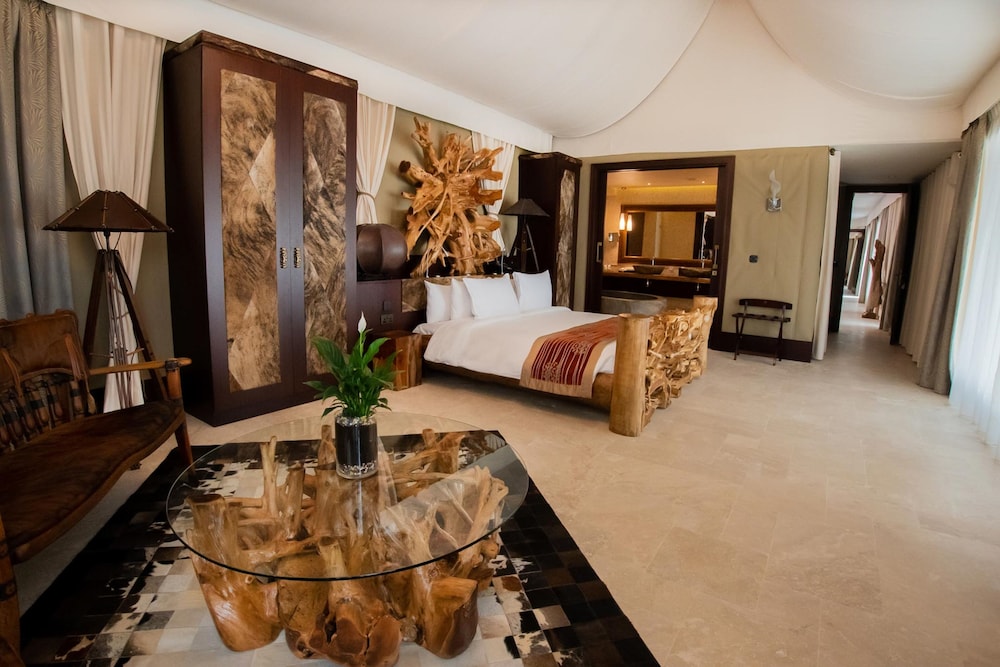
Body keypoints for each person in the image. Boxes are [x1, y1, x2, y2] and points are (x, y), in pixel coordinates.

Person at [862, 239, 885, 319]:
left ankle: (871, 310)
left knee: (874, 289)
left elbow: (877, 269)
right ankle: (870, 310)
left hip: (876, 280)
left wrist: (873, 263)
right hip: (876, 278)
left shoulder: (880, 254)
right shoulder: (878, 255)